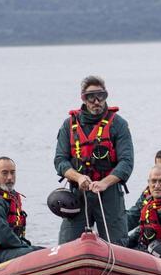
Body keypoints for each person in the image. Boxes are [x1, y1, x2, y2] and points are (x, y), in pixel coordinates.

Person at [54, 75, 134, 244]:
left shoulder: (118, 124)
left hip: (109, 191)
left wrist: (105, 182)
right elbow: (60, 161)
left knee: (117, 243)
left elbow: (126, 163)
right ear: (83, 98)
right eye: (91, 97)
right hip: (79, 191)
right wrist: (78, 177)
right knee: (67, 243)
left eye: (101, 96)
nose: (96, 101)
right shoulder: (68, 126)